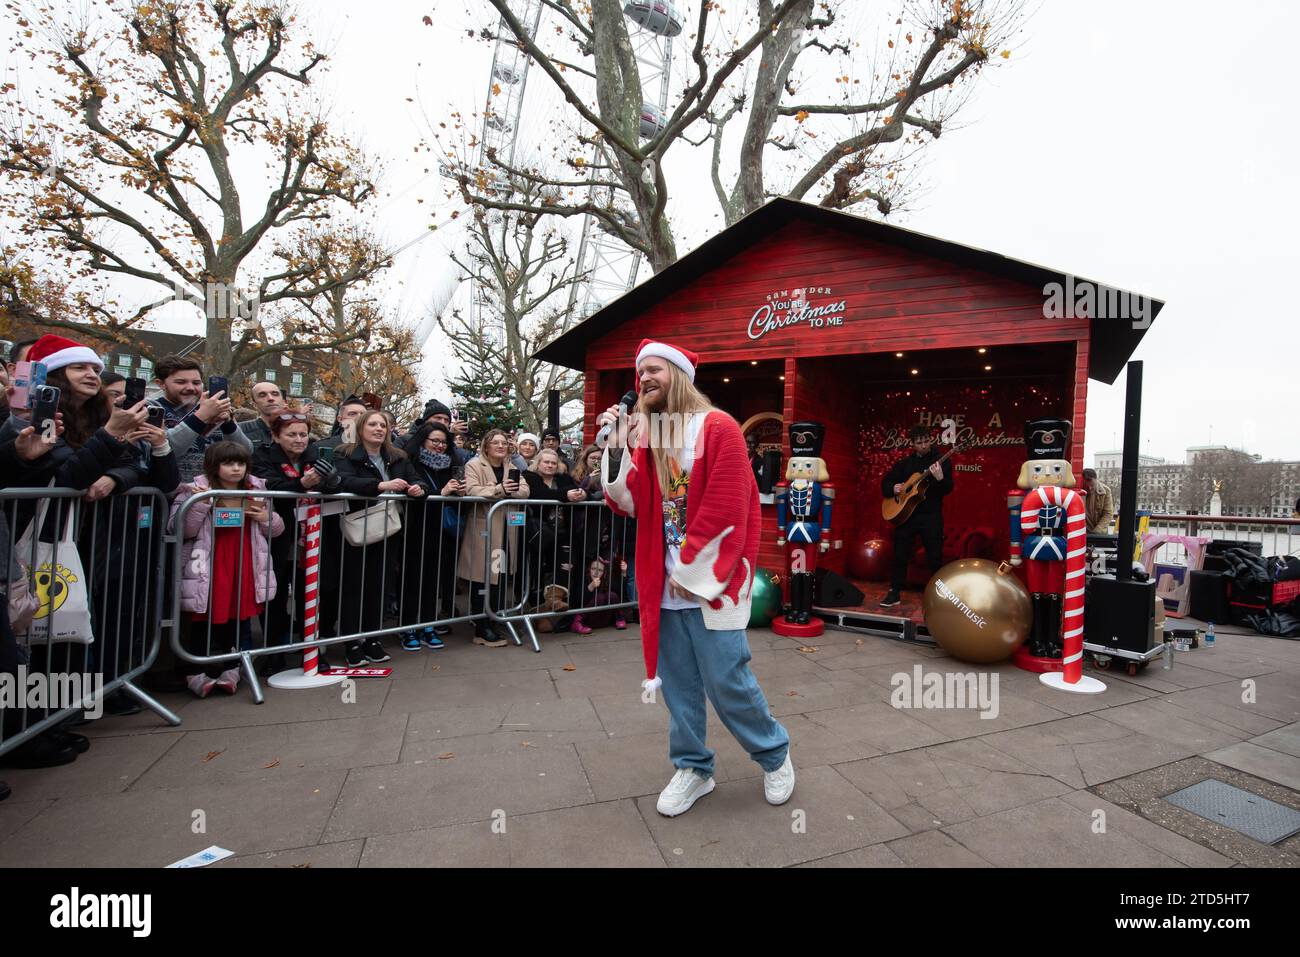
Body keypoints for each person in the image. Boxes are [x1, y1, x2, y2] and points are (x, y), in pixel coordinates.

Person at [597, 338, 793, 818]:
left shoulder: (717, 426)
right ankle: (693, 769)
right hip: (661, 587)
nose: (644, 379)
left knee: (728, 680)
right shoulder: (653, 435)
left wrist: (693, 570)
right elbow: (631, 502)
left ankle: (774, 755)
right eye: (639, 372)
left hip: (710, 584)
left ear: (679, 376)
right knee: (679, 685)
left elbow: (729, 504)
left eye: (655, 370)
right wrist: (619, 444)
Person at [170, 442, 283, 697]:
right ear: (214, 466)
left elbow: (276, 529)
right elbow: (180, 529)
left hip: (244, 561)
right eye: (228, 463)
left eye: (240, 463)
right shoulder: (195, 490)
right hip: (208, 563)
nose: (235, 468)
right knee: (203, 617)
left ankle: (232, 668)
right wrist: (202, 503)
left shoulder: (257, 490)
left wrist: (266, 518)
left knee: (238, 615)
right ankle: (196, 671)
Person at [333, 410, 428, 665]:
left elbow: (417, 480)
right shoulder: (344, 453)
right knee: (355, 586)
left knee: (380, 585)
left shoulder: (397, 457)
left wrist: (419, 489)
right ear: (361, 428)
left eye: (382, 425)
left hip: (389, 528)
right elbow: (343, 482)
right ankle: (352, 642)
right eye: (372, 424)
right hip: (358, 527)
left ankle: (373, 639)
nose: (378, 429)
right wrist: (379, 486)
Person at [252, 412, 342, 673]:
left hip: (313, 537)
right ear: (276, 436)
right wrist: (300, 484)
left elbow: (336, 487)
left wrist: (333, 480)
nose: (299, 439)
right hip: (278, 537)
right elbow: (267, 485)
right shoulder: (263, 457)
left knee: (311, 593)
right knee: (275, 596)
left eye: (303, 434)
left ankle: (311, 650)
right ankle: (274, 652)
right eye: (292, 434)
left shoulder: (318, 455)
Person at [458, 428, 529, 647]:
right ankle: (481, 625)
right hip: (484, 530)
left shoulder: (512, 466)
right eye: (495, 442)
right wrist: (498, 489)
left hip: (507, 530)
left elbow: (525, 491)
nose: (500, 446)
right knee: (483, 577)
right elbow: (471, 489)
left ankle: (494, 618)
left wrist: (506, 491)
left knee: (501, 576)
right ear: (486, 446)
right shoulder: (473, 465)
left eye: (503, 443)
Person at [398, 421, 464, 650]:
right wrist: (441, 493)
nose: (439, 446)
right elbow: (415, 494)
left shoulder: (450, 465)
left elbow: (450, 497)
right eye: (434, 441)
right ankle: (407, 627)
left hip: (441, 531)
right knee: (412, 580)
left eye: (444, 442)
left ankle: (427, 624)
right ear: (423, 441)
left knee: (432, 580)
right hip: (416, 529)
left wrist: (458, 493)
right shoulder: (411, 462)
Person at [879, 424, 953, 607]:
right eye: (919, 442)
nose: (924, 445)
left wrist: (940, 478)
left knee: (934, 557)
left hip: (931, 516)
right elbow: (885, 483)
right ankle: (894, 593)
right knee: (900, 555)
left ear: (931, 440)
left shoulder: (941, 461)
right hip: (906, 517)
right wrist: (893, 488)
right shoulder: (904, 464)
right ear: (913, 444)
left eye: (927, 441)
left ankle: (940, 595)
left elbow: (948, 489)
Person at [147, 354, 252, 481]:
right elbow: (165, 450)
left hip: (212, 494)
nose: (190, 388)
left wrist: (227, 423)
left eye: (196, 383)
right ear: (161, 384)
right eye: (181, 382)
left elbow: (246, 452)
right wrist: (201, 417)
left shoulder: (213, 408)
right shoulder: (151, 409)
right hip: (172, 494)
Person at [239, 381, 288, 447]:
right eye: (262, 395)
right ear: (254, 404)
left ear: (283, 401)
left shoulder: (298, 430)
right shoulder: (240, 431)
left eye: (275, 394)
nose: (271, 398)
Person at [1081, 468, 1114, 533]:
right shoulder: (1078, 490)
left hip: (1099, 533)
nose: (1090, 489)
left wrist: (1096, 532)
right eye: (1087, 487)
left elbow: (1108, 514)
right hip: (1081, 533)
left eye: (1092, 486)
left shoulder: (1106, 491)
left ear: (1096, 480)